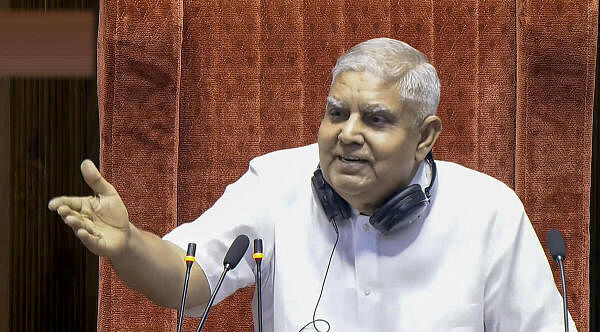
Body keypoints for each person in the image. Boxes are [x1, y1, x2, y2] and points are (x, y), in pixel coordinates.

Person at [48, 38, 576, 331]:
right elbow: (189, 283)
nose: (348, 135)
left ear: (424, 137)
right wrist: (130, 245)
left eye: (375, 119)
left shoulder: (489, 212)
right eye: (336, 114)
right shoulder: (278, 183)